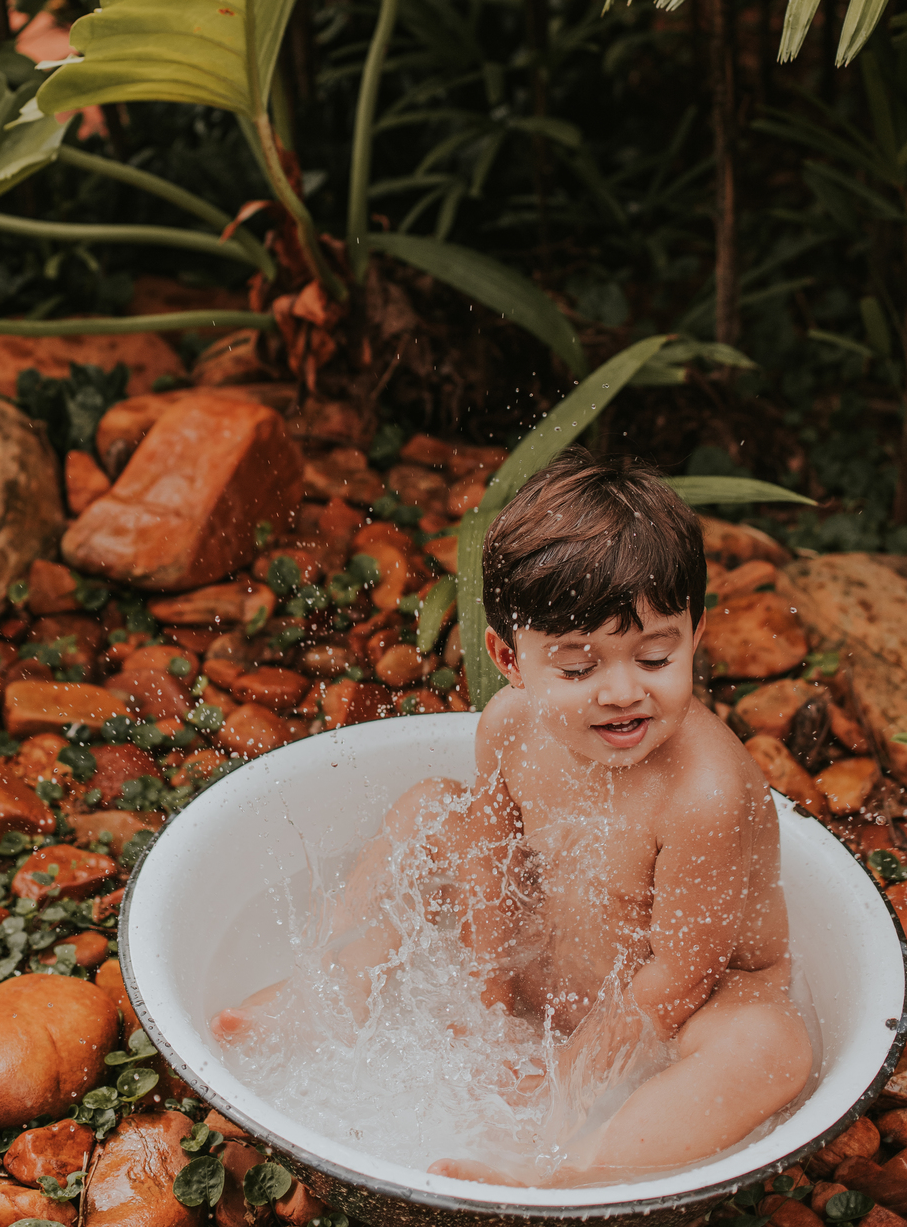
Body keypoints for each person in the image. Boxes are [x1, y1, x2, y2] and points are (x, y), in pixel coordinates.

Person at [213, 449, 813, 1185]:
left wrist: (563, 1092)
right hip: (559, 960)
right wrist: (489, 1004)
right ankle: (336, 989)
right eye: (578, 668)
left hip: (684, 1007)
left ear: (694, 634)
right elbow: (489, 861)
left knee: (767, 1047)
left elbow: (682, 978)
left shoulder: (704, 793)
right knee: (431, 810)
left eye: (655, 657)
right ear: (509, 658)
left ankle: (577, 1171)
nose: (621, 691)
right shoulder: (510, 727)